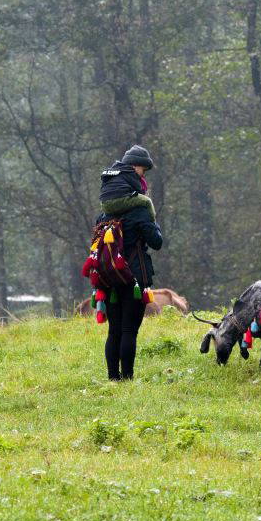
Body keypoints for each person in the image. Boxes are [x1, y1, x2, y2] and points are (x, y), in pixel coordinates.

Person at [97, 145, 163, 380]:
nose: (143, 175)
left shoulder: (104, 214)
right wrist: (154, 224)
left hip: (109, 278)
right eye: (143, 170)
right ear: (134, 169)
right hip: (134, 277)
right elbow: (156, 242)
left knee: (114, 331)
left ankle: (112, 377)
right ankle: (127, 378)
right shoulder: (140, 212)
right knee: (128, 330)